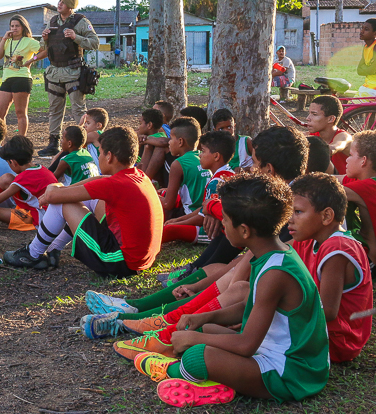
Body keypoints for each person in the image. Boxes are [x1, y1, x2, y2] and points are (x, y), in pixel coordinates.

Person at [132, 173, 329, 409]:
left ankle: (175, 370)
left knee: (199, 355)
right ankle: (205, 377)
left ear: (245, 230)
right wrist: (205, 317)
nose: (223, 225)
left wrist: (194, 339)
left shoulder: (275, 272)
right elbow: (252, 307)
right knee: (207, 328)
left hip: (290, 373)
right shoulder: (274, 254)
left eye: (224, 219)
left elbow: (247, 345)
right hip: (272, 351)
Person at [84, 126, 308, 324]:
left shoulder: (294, 210)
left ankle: (149, 317)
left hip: (271, 287)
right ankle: (139, 307)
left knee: (232, 272)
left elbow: (251, 249)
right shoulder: (286, 197)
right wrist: (212, 207)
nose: (251, 170)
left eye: (255, 165)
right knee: (221, 265)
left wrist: (213, 208)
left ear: (269, 170)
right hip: (258, 270)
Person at [4, 126, 163, 277]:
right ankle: (53, 249)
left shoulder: (114, 185)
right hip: (140, 261)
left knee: (64, 202)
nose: (98, 157)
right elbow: (99, 179)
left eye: (99, 153)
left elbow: (54, 197)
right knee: (84, 199)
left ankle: (33, 254)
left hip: (119, 263)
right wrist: (60, 189)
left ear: (109, 156)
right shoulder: (137, 175)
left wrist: (54, 188)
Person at [289, 173, 373, 363]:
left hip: (335, 341)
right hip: (314, 330)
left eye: (298, 212)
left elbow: (327, 311)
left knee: (249, 330)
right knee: (243, 296)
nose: (290, 219)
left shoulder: (337, 249)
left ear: (326, 215)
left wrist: (274, 311)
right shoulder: (309, 239)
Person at [33, 0, 100, 157]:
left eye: (63, 2)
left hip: (74, 72)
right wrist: (44, 38)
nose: (59, 4)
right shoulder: (53, 21)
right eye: (59, 1)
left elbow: (95, 43)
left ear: (70, 5)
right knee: (54, 109)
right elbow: (44, 46)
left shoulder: (80, 21)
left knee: (78, 109)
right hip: (55, 73)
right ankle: (53, 142)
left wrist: (76, 36)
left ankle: (83, 142)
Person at [340, 130, 376, 286]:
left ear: (363, 161)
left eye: (351, 155)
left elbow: (322, 188)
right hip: (372, 261)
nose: (346, 160)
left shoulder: (368, 187)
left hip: (368, 263)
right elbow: (331, 179)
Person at [161, 130, 234, 244]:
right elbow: (203, 210)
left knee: (169, 230)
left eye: (203, 151)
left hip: (216, 232)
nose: (200, 155)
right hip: (220, 225)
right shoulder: (228, 172)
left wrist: (177, 223)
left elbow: (202, 218)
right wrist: (178, 220)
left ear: (216, 156)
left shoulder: (216, 182)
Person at [0, 135, 58, 232]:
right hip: (51, 212)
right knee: (6, 178)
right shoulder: (40, 168)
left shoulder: (23, 178)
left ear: (13, 162)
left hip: (40, 218)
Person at [0, 14, 41, 137]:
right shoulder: (7, 40)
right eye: (12, 26)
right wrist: (4, 38)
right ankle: (1, 141)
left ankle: (21, 140)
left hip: (22, 78)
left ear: (23, 27)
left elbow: (45, 51)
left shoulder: (29, 41)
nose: (14, 28)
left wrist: (32, 60)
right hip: (7, 79)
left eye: (17, 26)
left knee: (20, 112)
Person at [160, 117, 210, 219]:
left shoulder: (178, 164)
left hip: (190, 215)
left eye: (171, 138)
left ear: (180, 142)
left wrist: (151, 193)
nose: (169, 142)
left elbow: (167, 204)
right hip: (207, 211)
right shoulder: (203, 157)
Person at [306, 95, 351, 175]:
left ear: (331, 119)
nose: (308, 118)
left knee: (318, 153)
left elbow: (334, 147)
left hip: (343, 183)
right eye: (309, 113)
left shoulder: (344, 136)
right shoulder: (312, 135)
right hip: (327, 181)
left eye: (314, 114)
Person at [136, 108, 169, 181]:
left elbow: (142, 169)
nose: (138, 127)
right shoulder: (161, 136)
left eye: (140, 123)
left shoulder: (154, 141)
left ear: (149, 125)